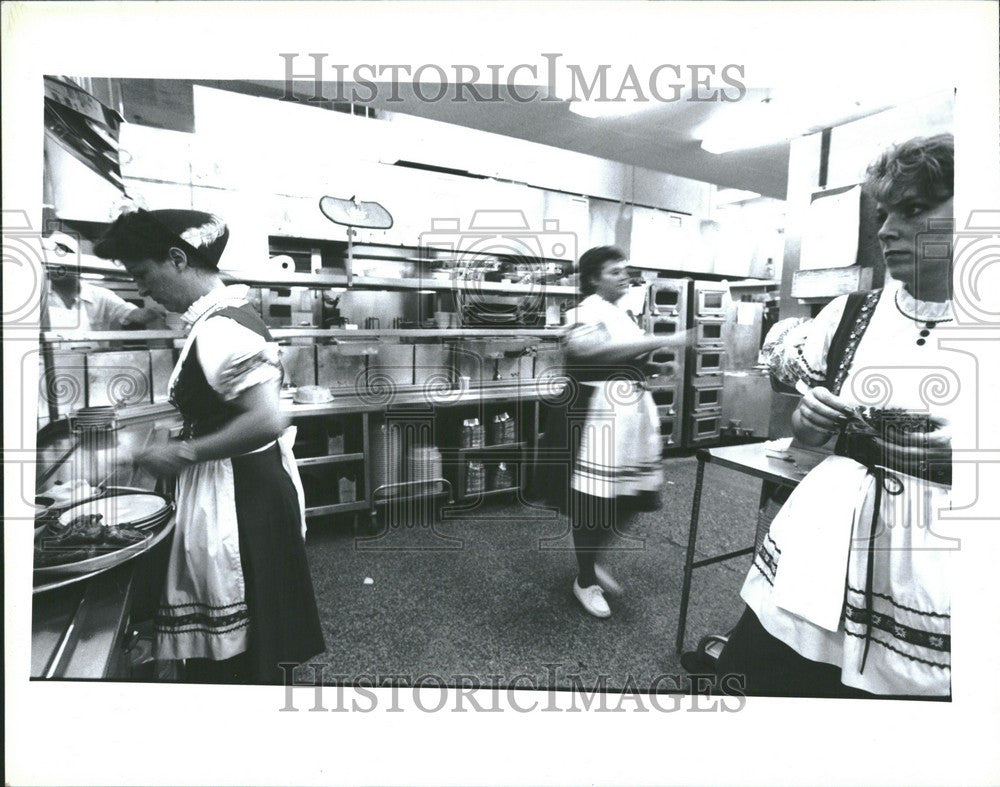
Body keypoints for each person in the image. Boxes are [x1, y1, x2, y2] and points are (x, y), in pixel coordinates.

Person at [717, 133, 957, 698]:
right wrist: (810, 418)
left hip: (935, 565)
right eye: (885, 213)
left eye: (915, 210)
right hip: (821, 547)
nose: (886, 230)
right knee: (765, 682)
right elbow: (804, 436)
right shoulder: (850, 313)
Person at [94, 208, 325, 684]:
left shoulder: (222, 326)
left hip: (242, 497)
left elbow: (266, 417)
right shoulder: (214, 319)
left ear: (177, 259)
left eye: (142, 274)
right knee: (258, 637)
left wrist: (182, 453)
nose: (143, 290)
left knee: (243, 653)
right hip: (246, 487)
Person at [553, 246, 690, 618]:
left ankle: (591, 557)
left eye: (625, 271)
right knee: (595, 502)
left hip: (631, 414)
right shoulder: (582, 312)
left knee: (632, 496)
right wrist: (661, 341)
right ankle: (584, 578)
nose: (624, 277)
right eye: (615, 271)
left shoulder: (622, 314)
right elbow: (590, 351)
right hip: (602, 418)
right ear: (594, 278)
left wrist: (655, 368)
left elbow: (627, 358)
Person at [41, 231, 164, 331]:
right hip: (52, 361)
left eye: (62, 264)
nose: (56, 269)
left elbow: (134, 314)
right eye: (53, 264)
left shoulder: (100, 296)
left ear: (77, 266)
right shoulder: (39, 297)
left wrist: (158, 312)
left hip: (92, 360)